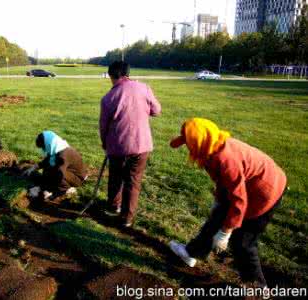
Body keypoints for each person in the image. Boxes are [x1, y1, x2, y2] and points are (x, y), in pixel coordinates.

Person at [168, 118, 287, 288]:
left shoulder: (226, 160)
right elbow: (224, 182)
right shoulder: (213, 147)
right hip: (247, 186)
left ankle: (258, 288)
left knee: (242, 242)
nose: (187, 148)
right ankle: (191, 253)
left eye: (189, 143)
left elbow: (239, 200)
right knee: (217, 216)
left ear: (201, 143)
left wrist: (225, 233)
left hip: (266, 192)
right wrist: (218, 200)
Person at [99, 61, 162, 228]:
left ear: (112, 76)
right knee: (133, 181)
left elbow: (103, 126)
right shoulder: (144, 87)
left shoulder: (108, 98)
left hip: (118, 146)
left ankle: (114, 208)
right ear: (127, 74)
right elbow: (156, 110)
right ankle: (127, 218)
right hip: (142, 145)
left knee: (116, 178)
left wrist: (105, 143)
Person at [23, 131, 87, 200]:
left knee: (55, 172)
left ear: (48, 143)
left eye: (43, 147)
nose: (43, 150)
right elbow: (47, 161)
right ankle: (47, 187)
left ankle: (66, 190)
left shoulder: (64, 154)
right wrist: (33, 168)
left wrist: (52, 192)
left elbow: (59, 174)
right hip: (66, 173)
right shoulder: (55, 148)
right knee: (49, 168)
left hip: (76, 178)